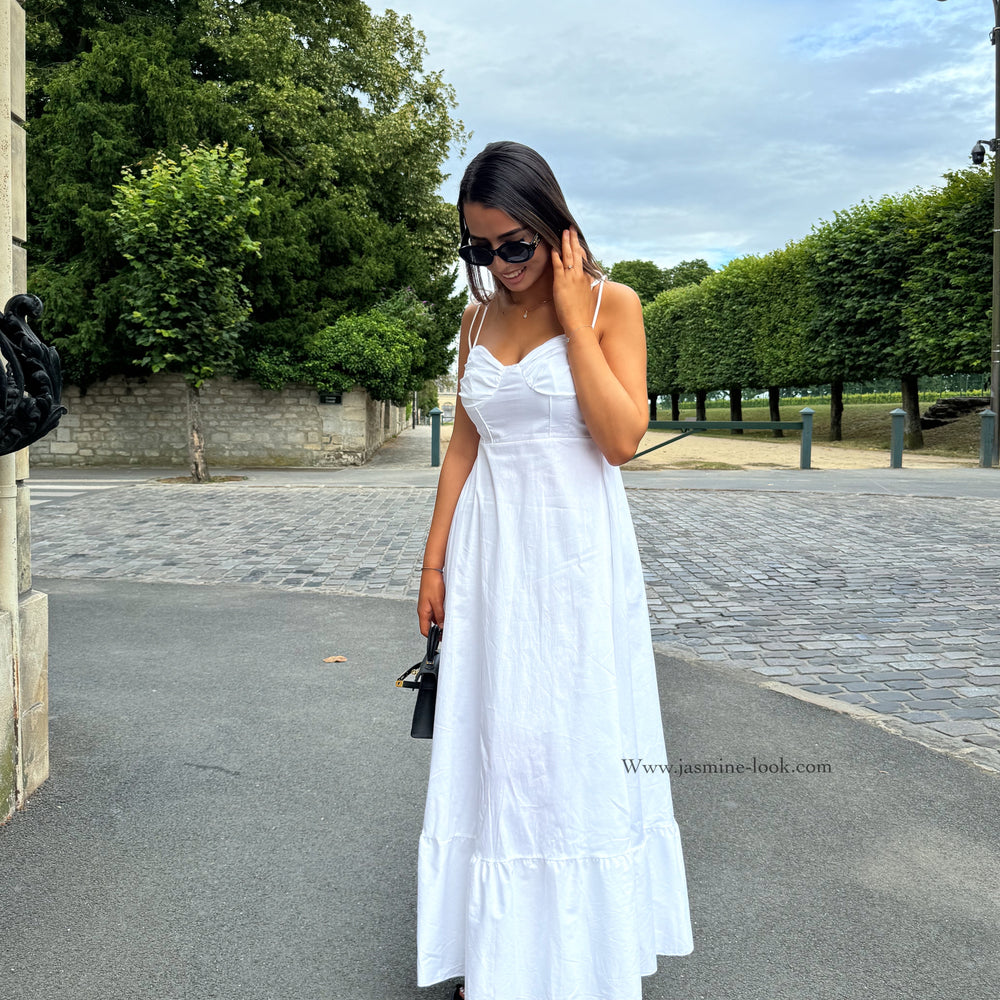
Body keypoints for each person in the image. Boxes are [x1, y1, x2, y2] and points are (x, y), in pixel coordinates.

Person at [416, 141, 693, 1000]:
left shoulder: (616, 305)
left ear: (551, 226)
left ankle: (580, 964)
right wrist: (432, 560)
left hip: (575, 562)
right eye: (478, 248)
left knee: (571, 745)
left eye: (513, 246)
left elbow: (619, 441)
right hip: (491, 558)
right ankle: (498, 956)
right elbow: (464, 445)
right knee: (497, 743)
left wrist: (575, 320)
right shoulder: (475, 321)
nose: (497, 265)